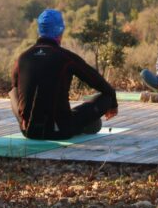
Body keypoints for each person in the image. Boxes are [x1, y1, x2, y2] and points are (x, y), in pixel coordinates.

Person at [11, 9, 119, 139]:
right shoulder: (66, 58)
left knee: (13, 92)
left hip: (28, 131)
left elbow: (16, 90)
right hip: (59, 130)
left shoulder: (22, 58)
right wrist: (113, 104)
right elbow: (97, 82)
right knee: (106, 98)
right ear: (60, 32)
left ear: (39, 31)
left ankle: (27, 123)